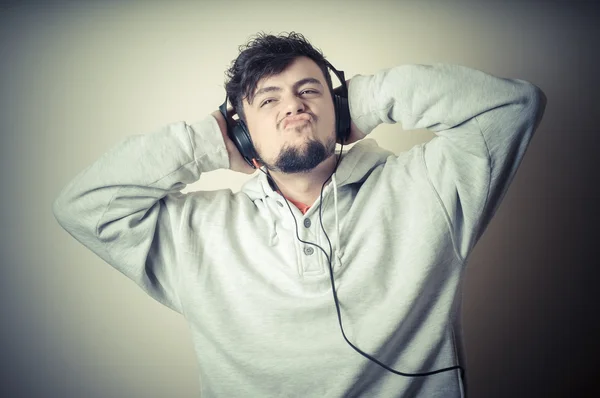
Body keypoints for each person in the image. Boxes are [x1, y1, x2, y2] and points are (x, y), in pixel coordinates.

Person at [52, 31, 546, 397]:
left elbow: (514, 107)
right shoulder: (193, 232)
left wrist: (368, 99)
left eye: (309, 91)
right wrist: (205, 142)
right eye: (268, 99)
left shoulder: (428, 187)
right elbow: (83, 206)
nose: (293, 105)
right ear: (242, 134)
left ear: (338, 109)